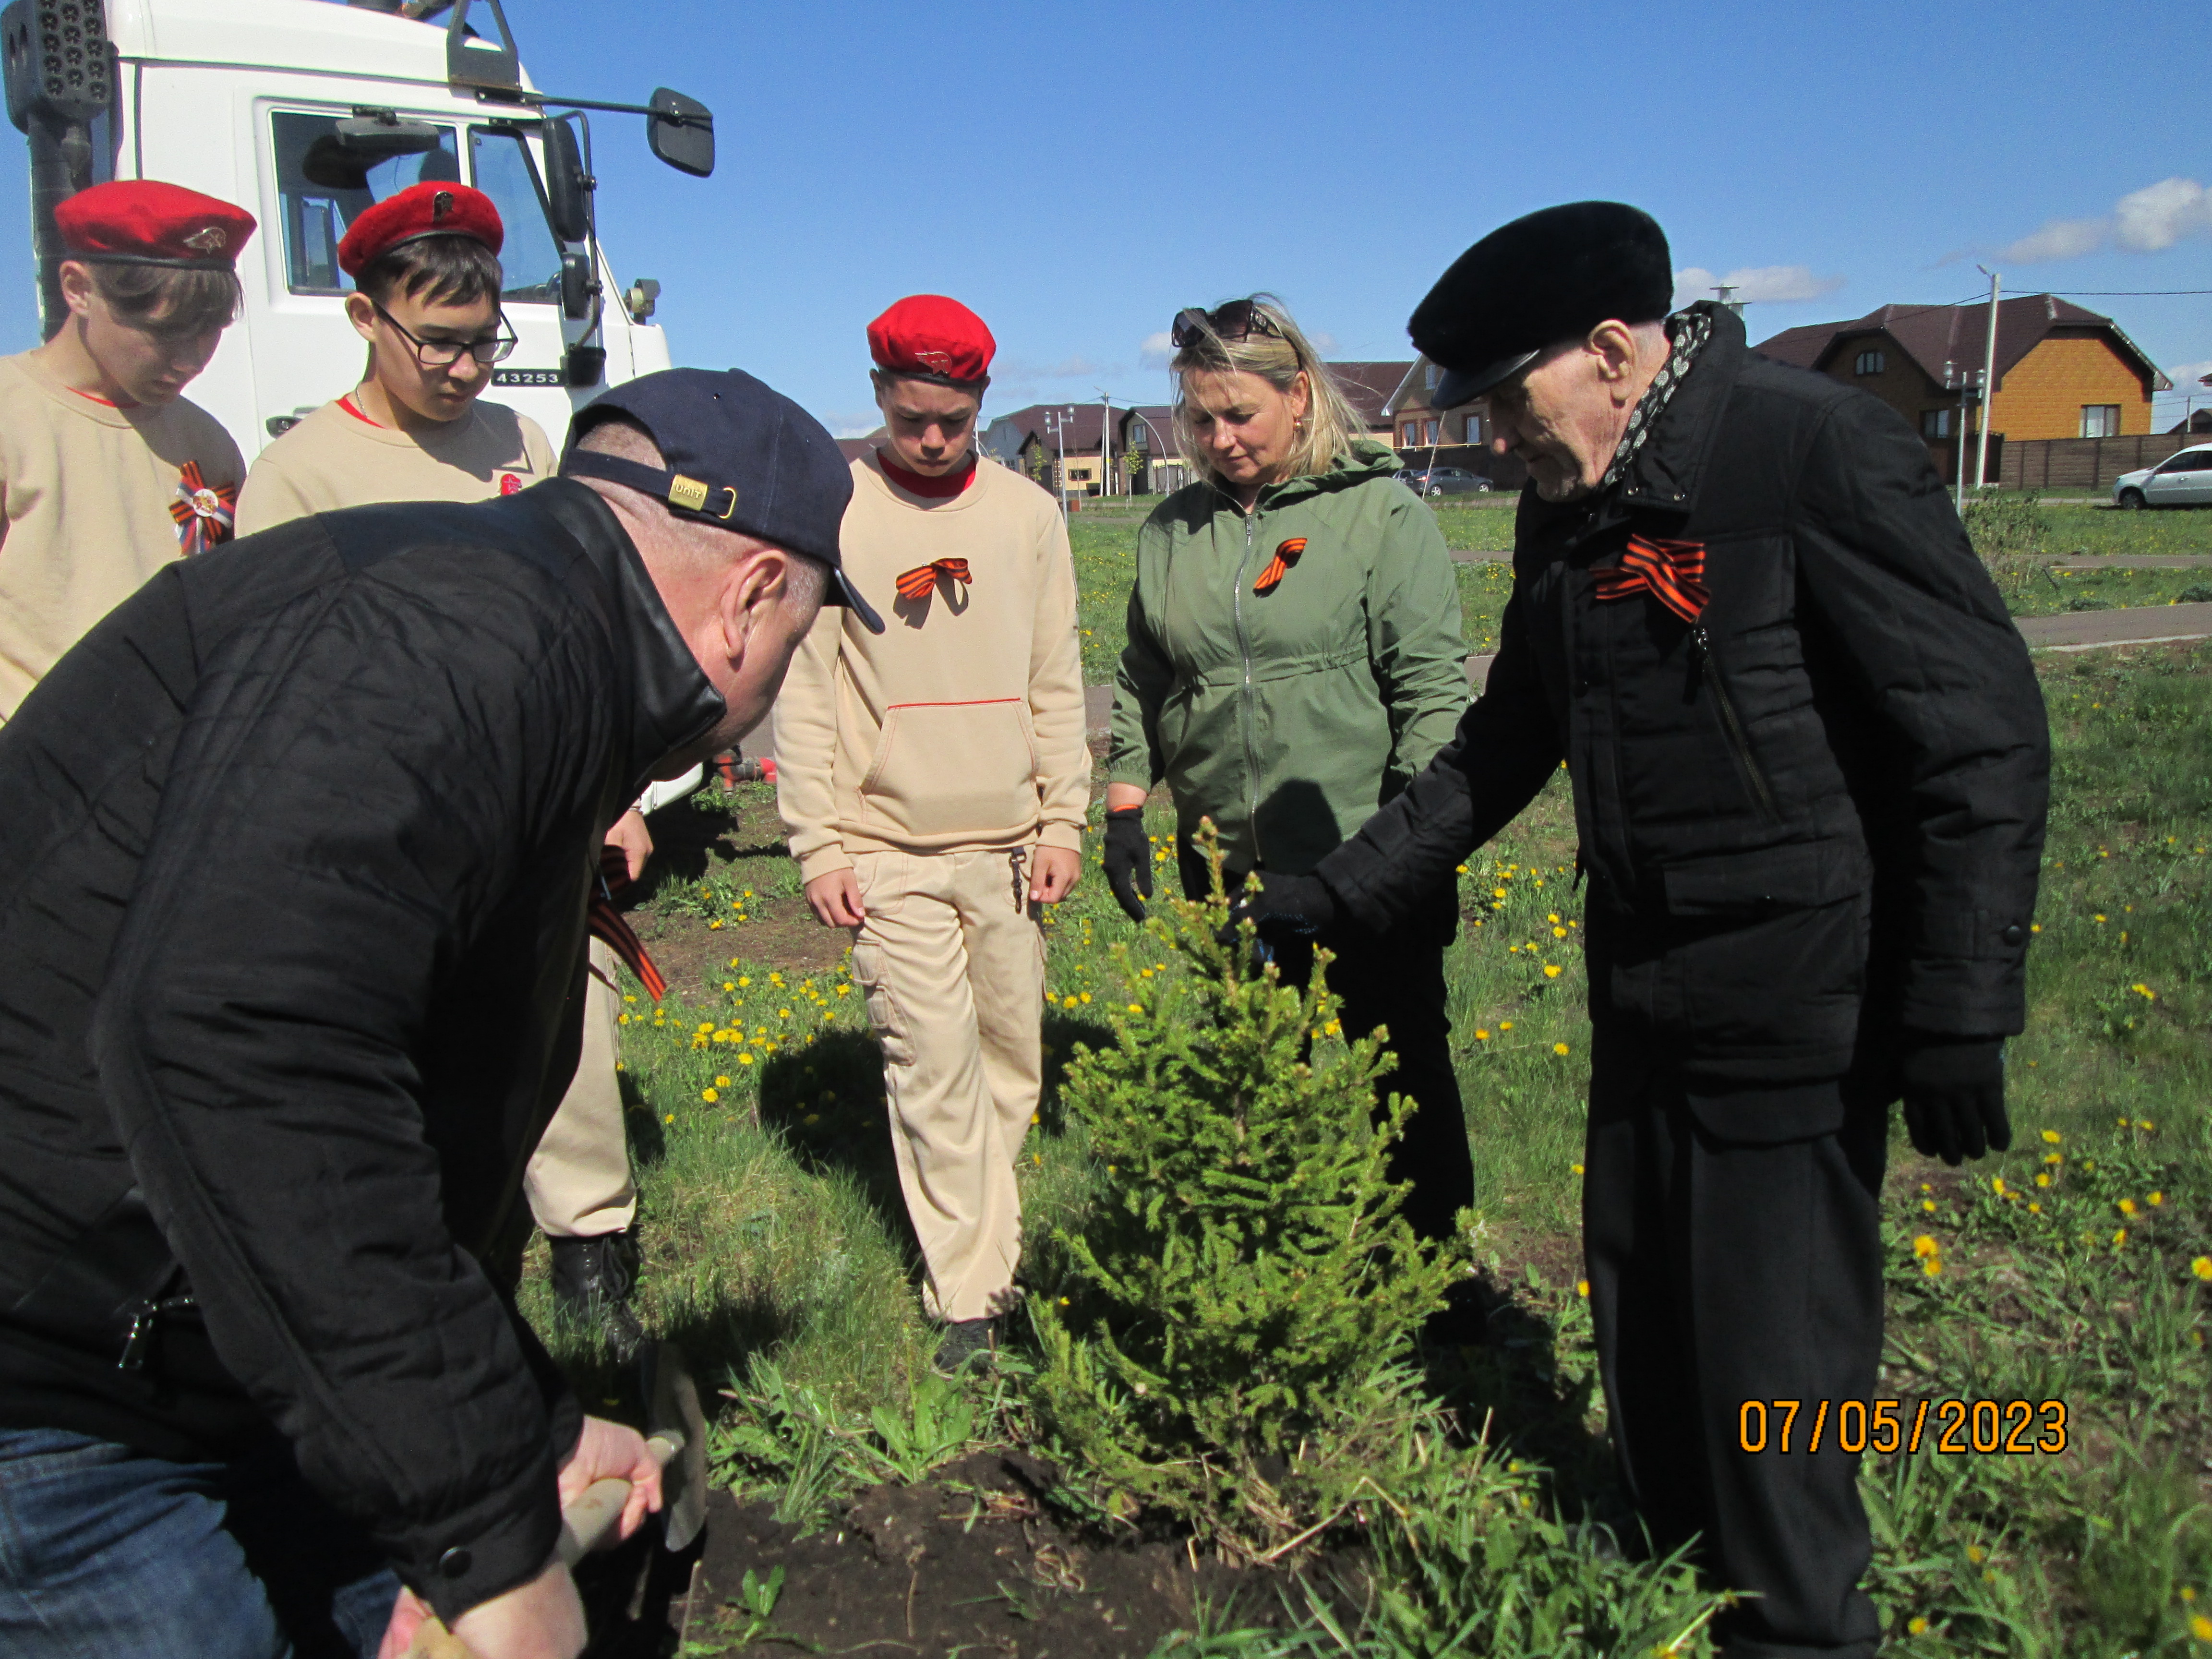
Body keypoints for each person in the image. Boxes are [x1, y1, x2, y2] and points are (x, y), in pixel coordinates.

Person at [1238, 204, 2050, 1658]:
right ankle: (1679, 1551)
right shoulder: (1573, 505)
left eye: (1503, 401)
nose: (1492, 443)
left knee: (1774, 1339)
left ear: (1612, 353)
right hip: (1645, 980)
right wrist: (1345, 892)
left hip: (1804, 985)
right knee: (1647, 1304)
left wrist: (1960, 1004)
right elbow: (1509, 740)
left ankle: (1799, 1624)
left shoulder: (1809, 452)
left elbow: (1975, 732)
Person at [0, 368, 876, 1658]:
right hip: (63, 1373)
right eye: (798, 646)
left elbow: (384, 1114)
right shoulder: (452, 635)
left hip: (234, 1346)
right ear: (751, 600)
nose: (772, 692)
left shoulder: (522, 644)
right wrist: (485, 1529)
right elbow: (248, 1042)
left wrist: (530, 1419)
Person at [235, 179, 657, 1354]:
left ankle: (592, 1253)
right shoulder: (301, 476)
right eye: (441, 343)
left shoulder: (521, 445)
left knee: (568, 1012)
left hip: (530, 796)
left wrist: (609, 792)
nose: (468, 369)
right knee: (411, 1036)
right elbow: (272, 678)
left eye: (485, 342)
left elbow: (571, 620)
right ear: (366, 318)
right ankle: (426, 1261)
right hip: (387, 813)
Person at [1103, 296, 1474, 1245]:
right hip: (1225, 864)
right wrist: (1125, 806)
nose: (1218, 439)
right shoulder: (1172, 532)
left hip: (1361, 857)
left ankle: (1437, 1271)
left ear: (1300, 397)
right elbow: (1143, 674)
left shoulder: (1378, 514)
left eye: (1240, 416)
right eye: (1199, 419)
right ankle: (1279, 1252)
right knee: (1258, 1068)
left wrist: (1415, 851)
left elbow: (1431, 694)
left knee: (1401, 1068)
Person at [775, 294, 1087, 1373]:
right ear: (878, 399)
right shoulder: (836, 515)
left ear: (981, 405)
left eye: (953, 420)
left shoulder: (1027, 518)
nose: (933, 441)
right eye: (912, 418)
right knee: (931, 1064)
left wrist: (1065, 819)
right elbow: (806, 694)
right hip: (888, 851)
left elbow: (1057, 678)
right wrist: (819, 842)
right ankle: (975, 1299)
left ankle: (987, 1241)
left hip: (1007, 847)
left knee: (1010, 1065)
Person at [0, 179, 252, 721]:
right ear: (78, 288)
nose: (191, 360)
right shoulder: (11, 413)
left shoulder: (207, 443)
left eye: (209, 333)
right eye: (164, 332)